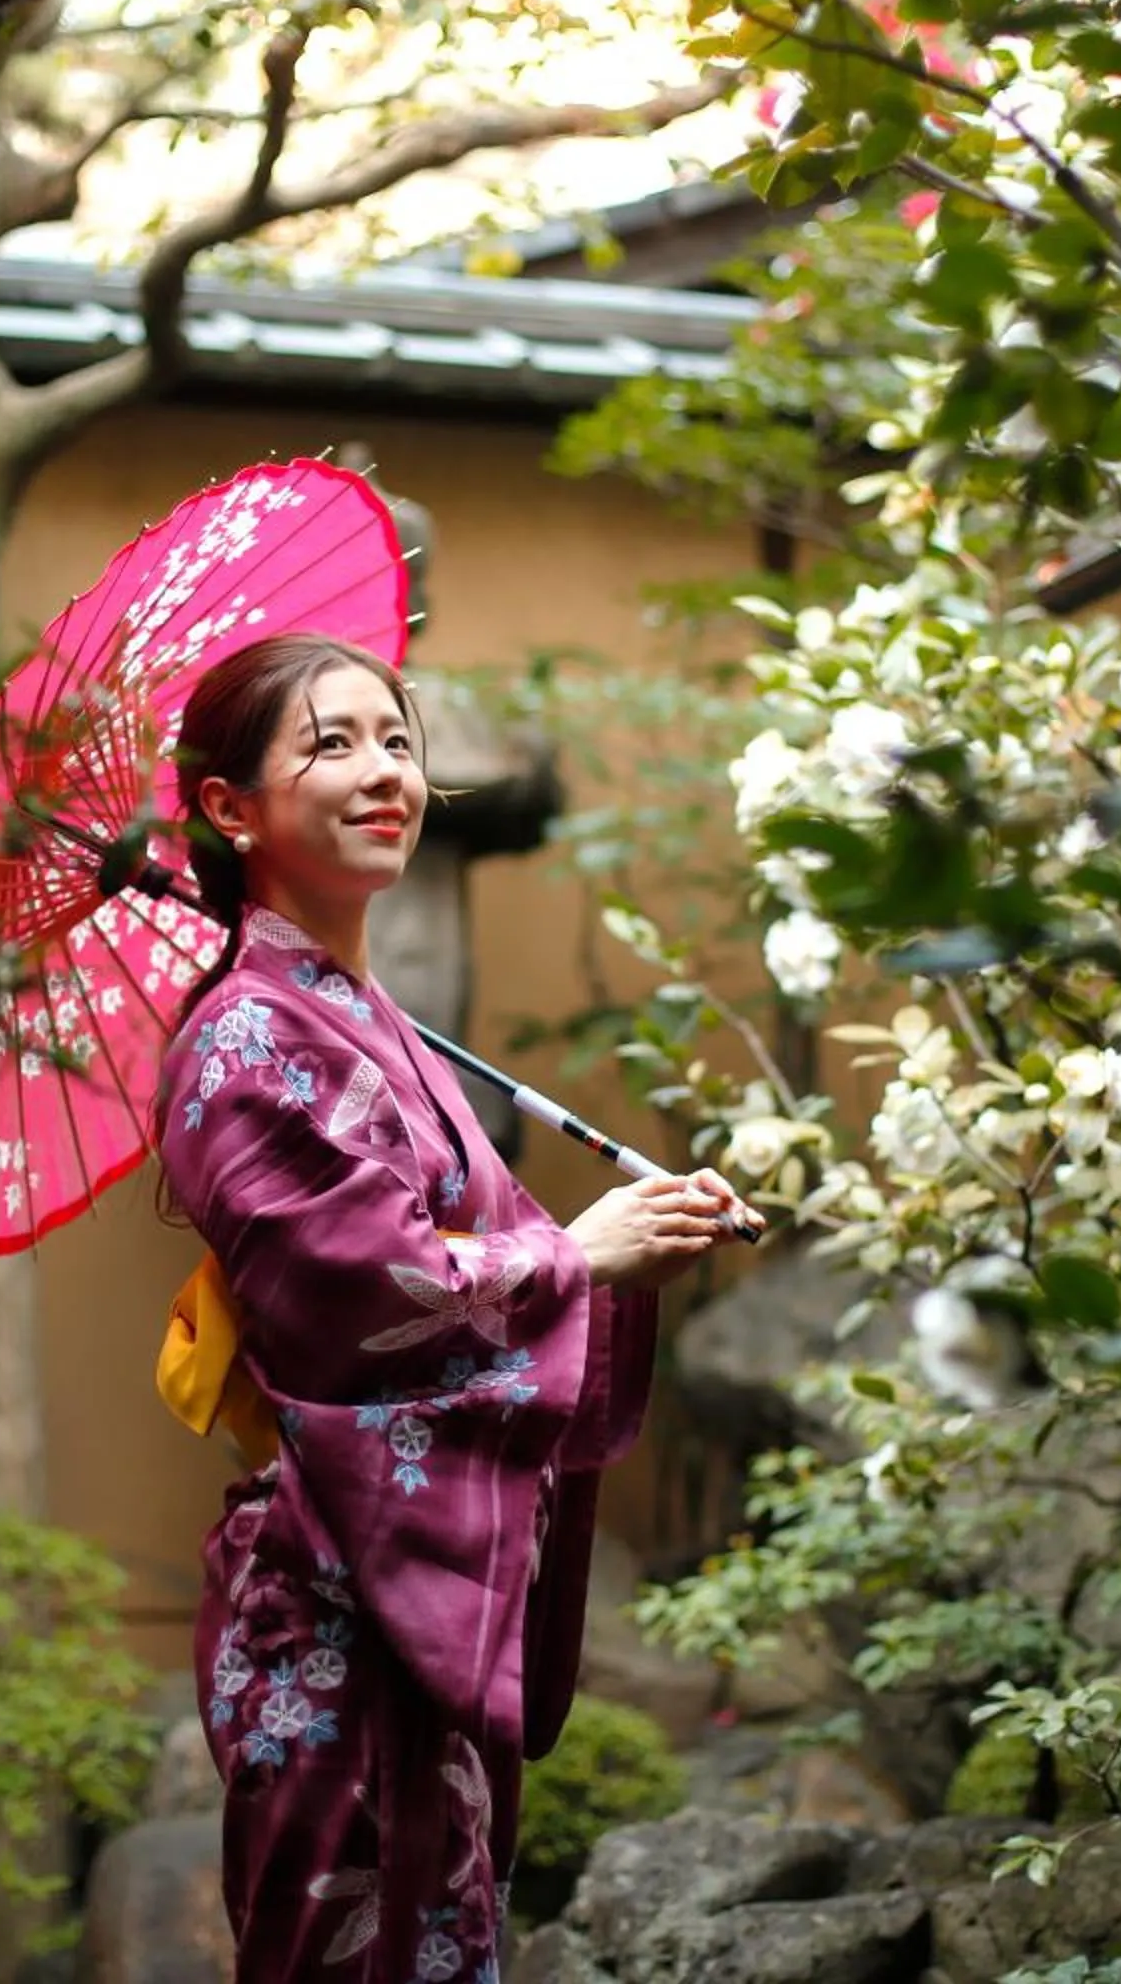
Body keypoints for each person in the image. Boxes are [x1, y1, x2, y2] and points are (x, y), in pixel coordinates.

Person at [150, 631, 743, 1984]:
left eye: (397, 742)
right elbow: (355, 1291)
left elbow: (494, 1245)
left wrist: (642, 1231)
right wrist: (579, 1263)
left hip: (392, 1606)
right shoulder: (246, 1036)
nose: (383, 774)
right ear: (228, 808)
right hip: (328, 1603)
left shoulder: (376, 1026)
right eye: (332, 745)